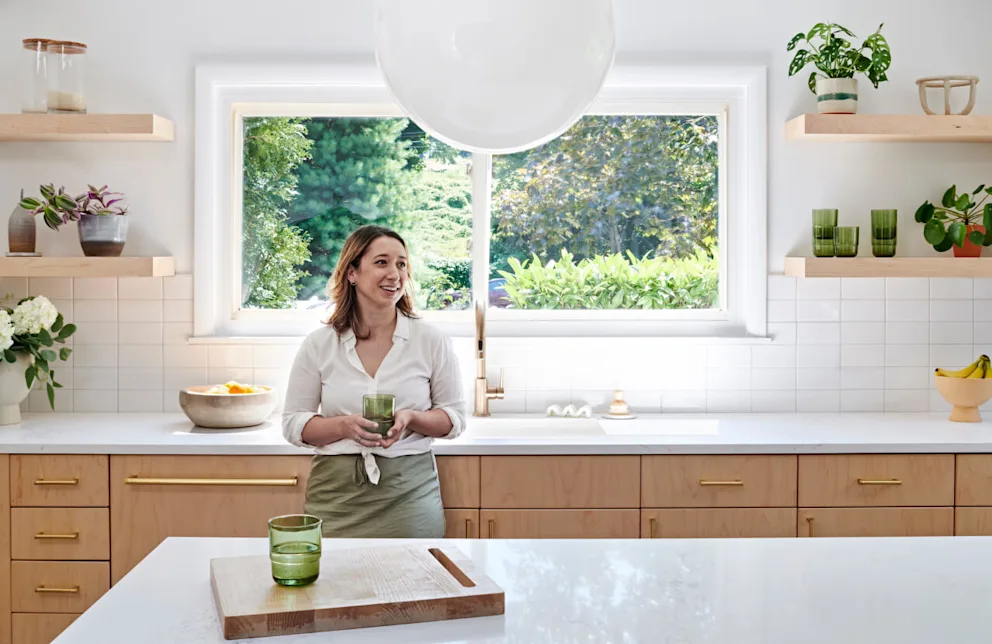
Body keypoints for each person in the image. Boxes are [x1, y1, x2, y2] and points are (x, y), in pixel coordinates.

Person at [282, 225, 466, 538]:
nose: (395, 274)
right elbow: (293, 424)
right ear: (351, 272)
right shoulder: (319, 344)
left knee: (413, 582)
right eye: (382, 262)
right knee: (335, 584)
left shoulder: (430, 340)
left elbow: (454, 419)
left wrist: (410, 419)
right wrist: (344, 426)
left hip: (408, 495)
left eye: (401, 264)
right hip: (335, 496)